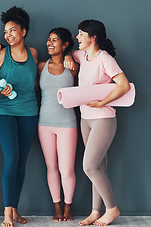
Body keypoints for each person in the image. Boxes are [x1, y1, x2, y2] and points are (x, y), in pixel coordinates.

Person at [71, 19, 130, 226]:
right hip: (85, 119)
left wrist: (102, 102)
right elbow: (69, 55)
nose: (77, 37)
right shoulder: (82, 55)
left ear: (93, 37)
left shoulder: (104, 58)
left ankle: (112, 209)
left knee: (89, 166)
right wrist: (70, 60)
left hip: (103, 119)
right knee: (99, 168)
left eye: (81, 33)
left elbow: (123, 86)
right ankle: (96, 211)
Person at [0, 6, 39, 227]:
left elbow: (37, 82)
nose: (8, 35)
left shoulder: (34, 54)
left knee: (21, 162)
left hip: (29, 112)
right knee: (11, 158)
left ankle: (15, 209)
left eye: (12, 31)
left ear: (23, 32)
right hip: (4, 112)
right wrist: (0, 89)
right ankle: (7, 213)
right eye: (5, 32)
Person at [37, 27, 78, 222]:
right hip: (44, 123)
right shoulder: (41, 66)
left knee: (67, 169)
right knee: (51, 167)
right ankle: (57, 207)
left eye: (54, 40)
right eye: (48, 39)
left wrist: (70, 55)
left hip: (67, 124)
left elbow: (86, 54)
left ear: (65, 44)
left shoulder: (73, 66)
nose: (49, 43)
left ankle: (69, 207)